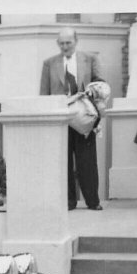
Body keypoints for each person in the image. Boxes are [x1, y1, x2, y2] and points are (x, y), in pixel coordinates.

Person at [40, 26, 105, 211]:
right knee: (63, 161)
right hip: (60, 118)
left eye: (68, 43)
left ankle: (93, 201)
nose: (65, 46)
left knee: (87, 161)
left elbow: (101, 84)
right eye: (61, 43)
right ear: (57, 44)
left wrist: (95, 99)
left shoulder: (90, 59)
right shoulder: (49, 63)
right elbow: (44, 94)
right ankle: (69, 202)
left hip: (84, 117)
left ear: (76, 41)